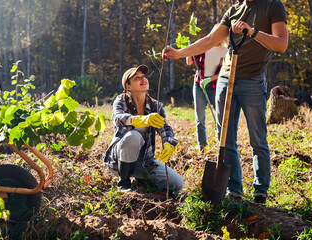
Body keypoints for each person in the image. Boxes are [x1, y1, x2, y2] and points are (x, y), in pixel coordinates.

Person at [163, 0, 288, 204]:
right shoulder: (233, 11)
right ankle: (234, 189)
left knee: (258, 139)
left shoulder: (273, 6)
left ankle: (260, 190)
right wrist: (178, 53)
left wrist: (252, 32)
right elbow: (209, 40)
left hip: (253, 80)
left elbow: (281, 44)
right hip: (225, 80)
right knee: (225, 139)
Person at [103, 65, 184, 192]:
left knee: (177, 184)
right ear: (128, 87)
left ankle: (141, 179)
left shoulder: (155, 105)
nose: (143, 79)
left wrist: (168, 142)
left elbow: (165, 128)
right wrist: (141, 120)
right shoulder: (121, 100)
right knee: (133, 136)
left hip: (145, 161)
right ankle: (123, 183)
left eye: (143, 76)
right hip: (119, 162)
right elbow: (117, 118)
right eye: (137, 78)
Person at [186, 24, 228, 152]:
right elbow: (189, 62)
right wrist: (190, 50)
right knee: (200, 117)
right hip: (199, 84)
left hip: (215, 85)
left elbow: (224, 71)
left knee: (219, 115)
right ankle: (202, 146)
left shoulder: (225, 51)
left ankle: (221, 143)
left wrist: (209, 79)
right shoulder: (204, 47)